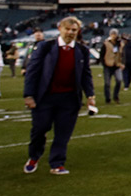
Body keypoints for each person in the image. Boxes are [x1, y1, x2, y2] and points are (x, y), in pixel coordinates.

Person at [24, 16, 97, 175]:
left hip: (69, 98)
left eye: (74, 30)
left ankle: (57, 163)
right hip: (45, 97)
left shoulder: (82, 50)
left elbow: (86, 75)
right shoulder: (46, 47)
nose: (71, 32)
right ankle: (34, 156)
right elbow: (32, 71)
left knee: (63, 133)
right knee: (40, 129)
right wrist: (29, 94)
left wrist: (90, 95)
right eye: (68, 29)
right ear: (60, 29)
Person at [101, 29, 124, 104]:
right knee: (107, 83)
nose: (114, 35)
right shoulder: (106, 44)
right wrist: (104, 63)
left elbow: (122, 54)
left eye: (115, 34)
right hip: (108, 65)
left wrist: (122, 63)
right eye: (112, 34)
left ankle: (115, 96)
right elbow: (102, 54)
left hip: (117, 65)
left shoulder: (120, 44)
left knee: (119, 80)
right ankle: (108, 98)